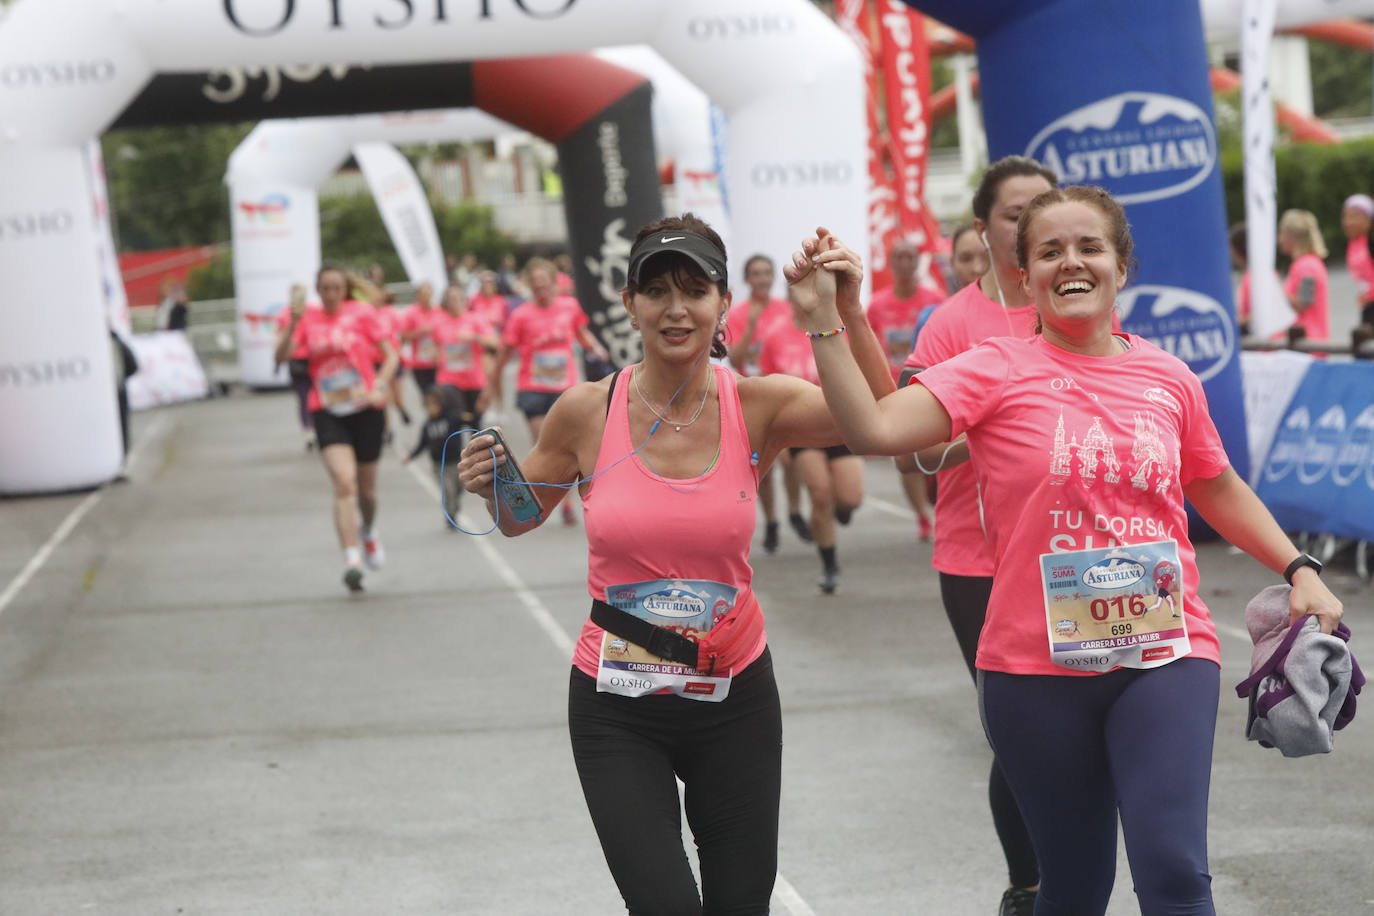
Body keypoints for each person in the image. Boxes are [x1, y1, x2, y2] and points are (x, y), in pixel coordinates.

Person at [792, 184, 1344, 916]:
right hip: (1032, 671)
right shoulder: (992, 368)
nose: (1071, 262)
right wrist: (828, 320)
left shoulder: (1169, 377)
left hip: (1166, 654)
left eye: (1090, 247)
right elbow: (875, 431)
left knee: (1175, 871)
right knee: (1075, 890)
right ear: (1024, 275)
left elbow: (1214, 485)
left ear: (1122, 266)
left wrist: (1300, 569)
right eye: (1049, 250)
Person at [457, 214, 892, 913]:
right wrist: (492, 480)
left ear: (724, 304)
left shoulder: (760, 405)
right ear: (630, 304)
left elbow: (883, 418)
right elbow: (519, 514)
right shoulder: (583, 412)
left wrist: (846, 314)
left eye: (695, 289)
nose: (676, 307)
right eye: (655, 290)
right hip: (618, 707)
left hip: (734, 698)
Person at [898, 156, 1055, 914]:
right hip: (980, 556)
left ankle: (1072, 871)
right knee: (1018, 728)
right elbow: (918, 450)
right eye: (1012, 214)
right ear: (986, 229)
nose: (1027, 226)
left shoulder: (1076, 305)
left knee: (1078, 728)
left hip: (1072, 551)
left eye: (1041, 210)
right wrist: (994, 422)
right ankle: (1028, 886)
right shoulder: (953, 322)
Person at [274, 265, 399, 593]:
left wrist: (380, 386)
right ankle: (352, 559)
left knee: (367, 493)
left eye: (335, 288)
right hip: (327, 410)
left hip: (365, 408)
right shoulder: (308, 319)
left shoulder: (362, 314)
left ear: (345, 290)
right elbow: (282, 355)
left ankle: (368, 531)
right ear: (317, 290)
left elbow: (391, 356)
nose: (330, 294)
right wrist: (294, 324)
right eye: (324, 288)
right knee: (344, 484)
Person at [756, 299, 866, 594]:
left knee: (850, 498)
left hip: (839, 422)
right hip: (801, 428)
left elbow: (858, 373)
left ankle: (840, 510)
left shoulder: (837, 329)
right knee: (819, 494)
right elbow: (766, 384)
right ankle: (829, 564)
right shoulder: (776, 336)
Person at [491, 257, 611, 525]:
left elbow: (581, 333)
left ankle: (565, 502)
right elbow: (504, 352)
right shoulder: (521, 315)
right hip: (533, 388)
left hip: (564, 390)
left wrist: (597, 348)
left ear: (554, 284)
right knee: (544, 446)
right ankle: (560, 502)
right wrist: (492, 384)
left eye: (545, 285)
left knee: (567, 448)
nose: (540, 290)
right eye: (535, 286)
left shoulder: (569, 306)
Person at [725, 253, 812, 553]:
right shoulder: (737, 313)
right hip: (748, 394)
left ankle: (795, 511)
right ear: (747, 279)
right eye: (756, 274)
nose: (762, 279)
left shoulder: (785, 309)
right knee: (762, 464)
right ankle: (773, 520)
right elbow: (734, 359)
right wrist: (749, 327)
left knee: (788, 457)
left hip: (781, 394)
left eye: (767, 273)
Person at [869, 238, 944, 539]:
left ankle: (937, 504)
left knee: (933, 454)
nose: (904, 263)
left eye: (909, 257)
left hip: (931, 385)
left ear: (917, 262)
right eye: (898, 257)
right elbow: (869, 348)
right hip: (894, 387)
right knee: (907, 457)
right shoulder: (877, 305)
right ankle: (923, 516)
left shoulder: (935, 300)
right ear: (891, 263)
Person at [433, 284, 499, 436]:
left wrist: (474, 337)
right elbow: (436, 346)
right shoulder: (439, 322)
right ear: (445, 302)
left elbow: (494, 342)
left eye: (457, 298)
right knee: (452, 421)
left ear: (464, 300)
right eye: (450, 299)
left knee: (474, 424)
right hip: (448, 380)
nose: (454, 302)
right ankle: (453, 457)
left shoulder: (475, 319)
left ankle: (475, 456)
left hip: (473, 381)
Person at [402, 387, 464, 525]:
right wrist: (410, 456)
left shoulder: (452, 418)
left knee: (459, 487)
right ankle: (450, 515)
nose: (431, 408)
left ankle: (455, 504)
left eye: (434, 404)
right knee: (448, 490)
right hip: (439, 464)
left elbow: (468, 420)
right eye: (428, 405)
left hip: (456, 461)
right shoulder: (427, 425)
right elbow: (422, 444)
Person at [275, 283, 319, 451]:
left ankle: (317, 426)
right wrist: (292, 325)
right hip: (296, 359)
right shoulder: (285, 314)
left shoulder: (314, 311)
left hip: (314, 358)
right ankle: (308, 430)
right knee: (303, 397)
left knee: (317, 394)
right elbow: (280, 337)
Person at [1277, 208, 1330, 343]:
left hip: (1308, 340)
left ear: (1292, 236)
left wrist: (1275, 293)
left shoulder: (1307, 265)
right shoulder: (1305, 263)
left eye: (1281, 233)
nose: (1279, 239)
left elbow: (1304, 302)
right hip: (1305, 338)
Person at [399, 281, 441, 397]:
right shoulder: (411, 312)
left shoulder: (439, 311)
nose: (427, 297)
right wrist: (420, 332)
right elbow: (403, 335)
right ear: (418, 296)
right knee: (426, 394)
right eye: (423, 294)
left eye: (428, 294)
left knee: (440, 394)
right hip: (419, 363)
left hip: (437, 361)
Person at [1340, 193, 1374, 326]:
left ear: (1368, 219)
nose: (1348, 222)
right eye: (1346, 217)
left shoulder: (1371, 241)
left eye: (1354, 217)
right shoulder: (1352, 244)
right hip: (1367, 306)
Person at [1228, 222, 1252, 337]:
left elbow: (1265, 311)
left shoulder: (1253, 277)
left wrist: (1235, 322)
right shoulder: (1249, 275)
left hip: (1264, 348)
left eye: (1231, 247)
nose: (1230, 253)